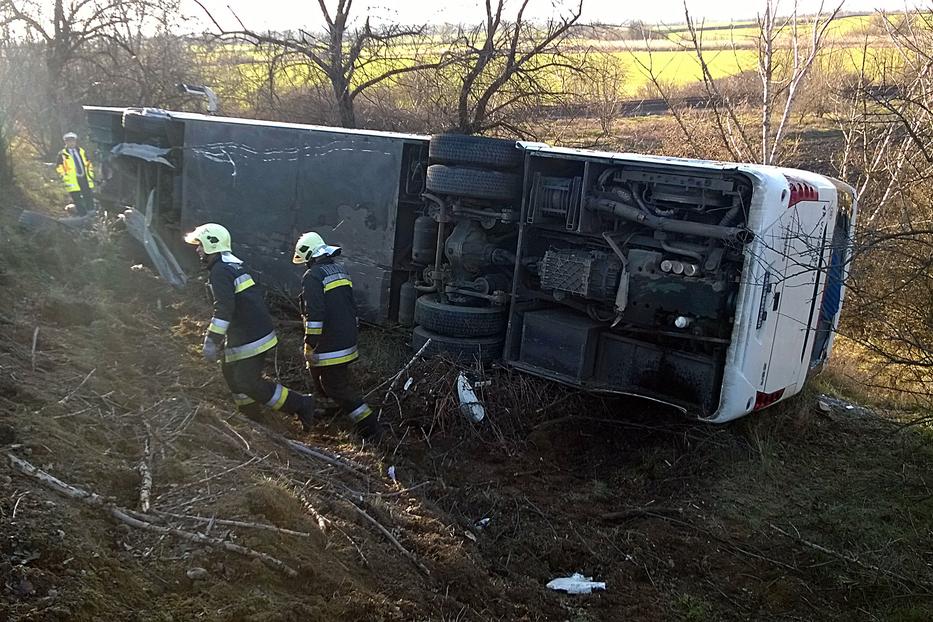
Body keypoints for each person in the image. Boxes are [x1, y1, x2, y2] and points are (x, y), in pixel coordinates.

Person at [184, 223, 315, 429]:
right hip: (250, 333)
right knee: (230, 372)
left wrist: (212, 340)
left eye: (199, 244)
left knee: (247, 382)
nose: (197, 249)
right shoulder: (232, 265)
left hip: (250, 337)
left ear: (212, 244)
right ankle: (250, 416)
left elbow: (224, 310)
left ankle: (300, 403)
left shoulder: (220, 271)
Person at [292, 231, 383, 442]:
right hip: (346, 336)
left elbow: (315, 314)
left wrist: (310, 344)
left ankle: (370, 427)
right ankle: (332, 410)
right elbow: (350, 305)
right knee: (323, 378)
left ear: (310, 256)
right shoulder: (339, 270)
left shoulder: (313, 276)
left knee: (335, 385)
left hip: (330, 341)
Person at [55, 132, 95, 216]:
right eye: (68, 141)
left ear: (75, 141)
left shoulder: (81, 151)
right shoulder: (62, 154)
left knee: (88, 194)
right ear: (65, 142)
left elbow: (88, 162)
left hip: (84, 176)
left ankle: (91, 212)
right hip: (72, 179)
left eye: (72, 141)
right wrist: (63, 175)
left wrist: (90, 172)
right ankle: (82, 214)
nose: (71, 143)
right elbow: (59, 167)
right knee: (77, 198)